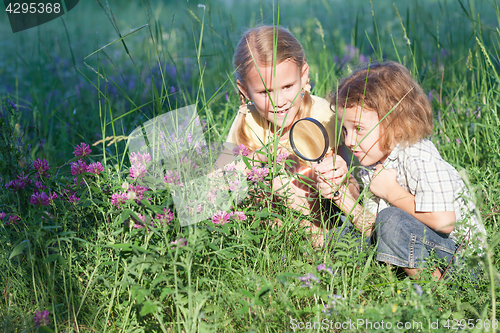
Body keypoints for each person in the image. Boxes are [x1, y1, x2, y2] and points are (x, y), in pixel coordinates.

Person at [315, 61, 486, 278]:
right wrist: (339, 196)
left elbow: (445, 222)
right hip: (422, 246)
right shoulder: (374, 165)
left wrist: (391, 192)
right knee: (342, 237)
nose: (349, 141)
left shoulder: (418, 155)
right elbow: (372, 229)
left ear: (396, 123)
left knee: (390, 221)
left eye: (358, 129)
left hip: (463, 262)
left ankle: (440, 293)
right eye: (345, 130)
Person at [217, 25, 355, 247]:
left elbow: (347, 169)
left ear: (304, 75)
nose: (279, 101)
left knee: (342, 182)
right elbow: (221, 180)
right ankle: (308, 246)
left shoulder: (324, 115)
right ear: (244, 90)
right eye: (264, 92)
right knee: (278, 183)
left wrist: (338, 167)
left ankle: (330, 240)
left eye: (288, 86)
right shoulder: (247, 121)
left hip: (325, 205)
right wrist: (257, 161)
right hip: (272, 219)